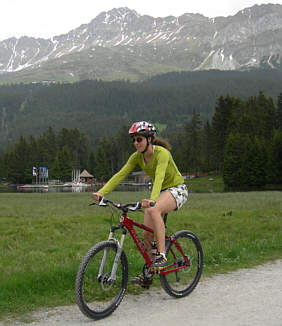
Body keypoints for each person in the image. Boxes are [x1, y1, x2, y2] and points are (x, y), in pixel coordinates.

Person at [92, 121, 188, 287]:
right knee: (146, 235)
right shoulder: (136, 157)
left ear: (149, 139)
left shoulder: (162, 154)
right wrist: (102, 192)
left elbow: (159, 177)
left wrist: (152, 200)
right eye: (134, 140)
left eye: (139, 139)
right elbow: (120, 175)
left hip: (176, 189)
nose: (135, 143)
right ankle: (148, 274)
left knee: (154, 209)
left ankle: (162, 255)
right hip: (160, 192)